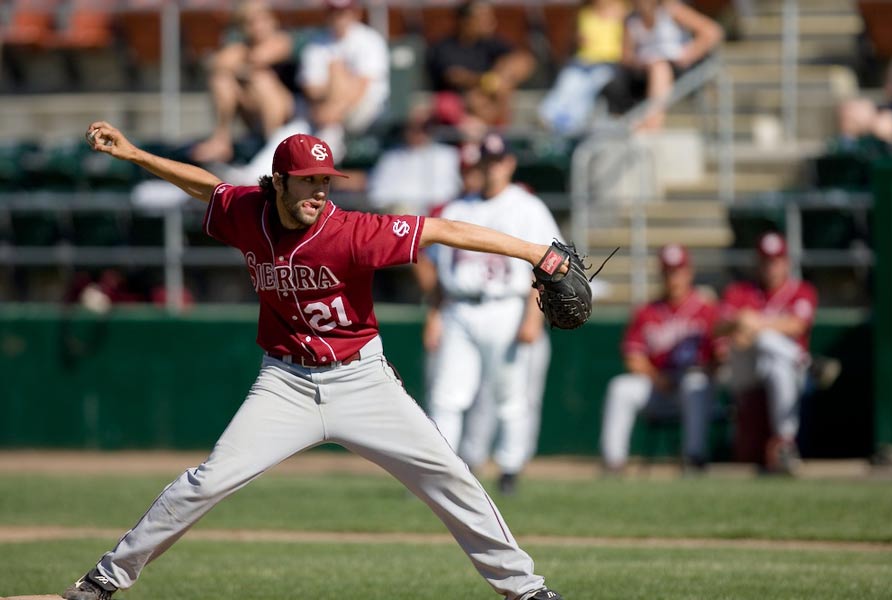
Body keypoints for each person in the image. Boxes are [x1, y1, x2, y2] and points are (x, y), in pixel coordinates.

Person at [66, 122, 564, 600]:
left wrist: (535, 253)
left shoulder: (353, 231)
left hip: (363, 380)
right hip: (284, 383)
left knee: (450, 478)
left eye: (325, 180)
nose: (319, 191)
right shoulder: (249, 211)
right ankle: (105, 580)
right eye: (307, 181)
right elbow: (208, 188)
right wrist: (133, 154)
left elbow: (442, 228)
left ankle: (526, 590)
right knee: (208, 481)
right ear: (278, 182)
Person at [423, 133, 561, 496]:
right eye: (487, 160)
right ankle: (443, 471)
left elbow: (547, 266)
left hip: (508, 308)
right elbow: (437, 271)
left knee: (511, 397)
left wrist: (533, 316)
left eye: (499, 160)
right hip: (460, 306)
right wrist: (435, 315)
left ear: (510, 164)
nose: (492, 167)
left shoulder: (528, 208)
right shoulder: (457, 209)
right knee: (446, 394)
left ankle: (510, 469)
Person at [216, 0, 389, 184]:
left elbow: (362, 87)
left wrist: (335, 107)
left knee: (336, 82)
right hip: (322, 110)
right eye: (334, 12)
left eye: (343, 12)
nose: (338, 18)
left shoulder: (369, 40)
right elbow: (311, 88)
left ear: (355, 13)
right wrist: (325, 104)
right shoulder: (318, 42)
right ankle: (256, 176)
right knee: (292, 132)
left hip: (364, 111)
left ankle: (314, 170)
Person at [599, 243, 718, 473]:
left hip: (695, 388)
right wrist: (658, 378)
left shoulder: (706, 309)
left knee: (696, 384)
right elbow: (633, 357)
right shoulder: (647, 311)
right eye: (668, 271)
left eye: (678, 271)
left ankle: (695, 457)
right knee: (620, 388)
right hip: (657, 386)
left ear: (689, 272)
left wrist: (709, 370)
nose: (673, 277)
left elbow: (720, 355)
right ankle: (614, 462)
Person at [717, 231, 818, 474]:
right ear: (757, 262)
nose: (770, 267)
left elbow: (798, 325)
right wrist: (741, 324)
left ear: (786, 262)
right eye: (765, 261)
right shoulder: (740, 291)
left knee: (775, 361)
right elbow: (719, 327)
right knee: (764, 341)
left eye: (775, 260)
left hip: (785, 370)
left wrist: (754, 323)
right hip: (745, 368)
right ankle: (807, 362)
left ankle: (784, 442)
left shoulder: (801, 290)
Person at [190, 0, 302, 164]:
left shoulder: (283, 40)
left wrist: (237, 63)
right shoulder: (243, 47)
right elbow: (216, 64)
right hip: (254, 111)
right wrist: (237, 64)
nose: (258, 27)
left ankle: (273, 143)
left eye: (262, 20)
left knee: (261, 79)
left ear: (272, 20)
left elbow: (259, 58)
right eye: (251, 22)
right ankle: (222, 139)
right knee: (222, 80)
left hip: (290, 113)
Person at [426, 0, 535, 131]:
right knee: (475, 100)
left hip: (487, 98)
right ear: (466, 21)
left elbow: (524, 61)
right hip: (460, 102)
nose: (491, 23)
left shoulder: (489, 43)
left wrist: (501, 78)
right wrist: (488, 81)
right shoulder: (444, 47)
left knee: (500, 88)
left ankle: (494, 137)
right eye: (483, 19)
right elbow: (454, 77)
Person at [621, 0, 723, 130]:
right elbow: (626, 57)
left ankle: (652, 123)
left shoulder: (671, 10)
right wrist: (643, 62)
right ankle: (649, 123)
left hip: (678, 67)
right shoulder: (631, 20)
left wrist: (688, 54)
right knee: (656, 66)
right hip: (644, 72)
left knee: (659, 67)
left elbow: (712, 31)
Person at [538, 0, 628, 137]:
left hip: (607, 63)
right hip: (583, 62)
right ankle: (550, 114)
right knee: (568, 81)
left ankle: (572, 122)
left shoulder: (623, 11)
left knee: (588, 87)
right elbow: (581, 40)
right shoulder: (585, 14)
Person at [367, 104, 462, 215]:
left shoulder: (448, 155)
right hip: (401, 219)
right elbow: (378, 194)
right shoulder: (390, 157)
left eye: (424, 127)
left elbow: (449, 192)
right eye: (413, 127)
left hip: (438, 217)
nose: (418, 132)